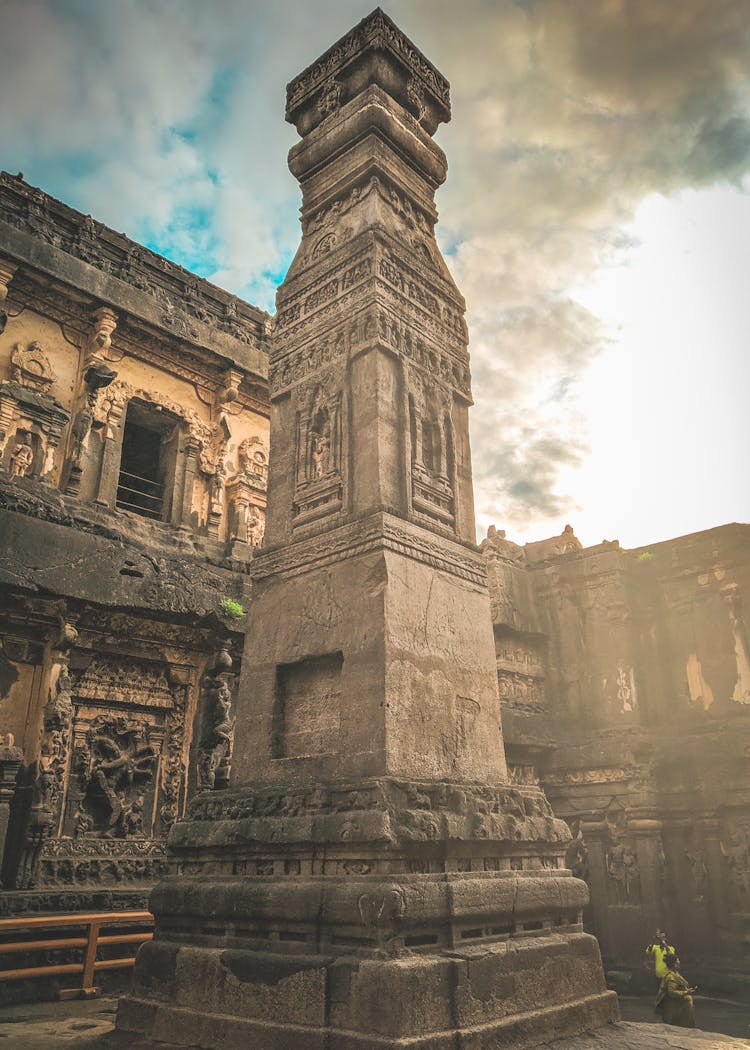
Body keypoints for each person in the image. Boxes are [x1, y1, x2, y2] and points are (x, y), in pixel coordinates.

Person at [654, 953, 696, 1028]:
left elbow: (679, 985)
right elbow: (671, 992)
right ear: (674, 964)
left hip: (678, 1005)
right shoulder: (671, 977)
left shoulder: (676, 974)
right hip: (673, 1007)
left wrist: (686, 989)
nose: (679, 962)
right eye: (678, 961)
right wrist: (686, 992)